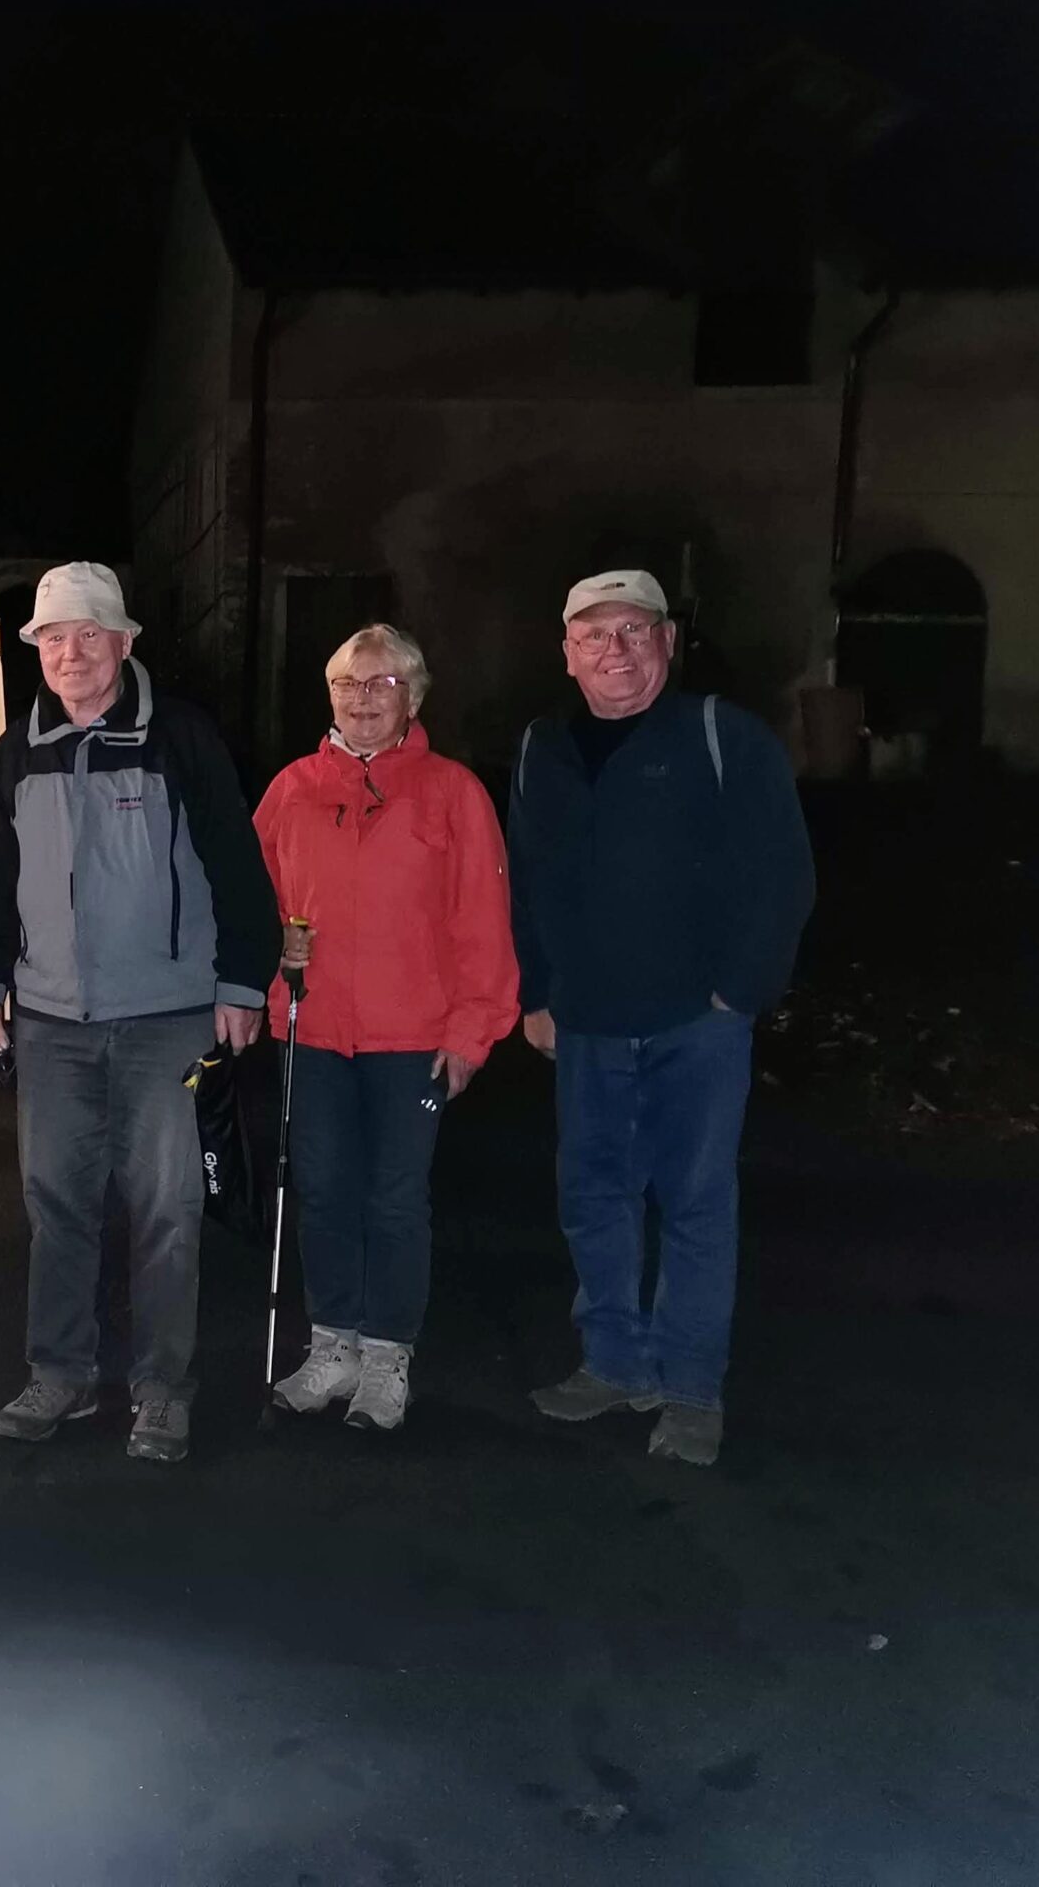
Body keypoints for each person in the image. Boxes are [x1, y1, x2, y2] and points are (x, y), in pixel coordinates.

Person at [0, 561, 279, 1464]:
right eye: (54, 638)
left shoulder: (181, 737)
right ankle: (61, 1373)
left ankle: (162, 1389)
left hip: (169, 1017)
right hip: (51, 1023)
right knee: (55, 1203)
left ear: (125, 642)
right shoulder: (16, 754)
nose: (72, 653)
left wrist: (241, 985)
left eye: (89, 634)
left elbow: (237, 866)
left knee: (167, 1209)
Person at [510, 569, 814, 1467]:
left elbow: (784, 874)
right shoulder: (542, 747)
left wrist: (739, 992)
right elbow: (526, 878)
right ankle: (613, 1363)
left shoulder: (725, 736)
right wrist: (535, 992)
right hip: (586, 1022)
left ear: (668, 643)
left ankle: (689, 1391)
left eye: (635, 631)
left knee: (694, 1206)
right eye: (595, 635)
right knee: (593, 1199)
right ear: (568, 653)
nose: (617, 650)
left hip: (697, 1023)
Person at [255, 625, 518, 1433]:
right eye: (347, 684)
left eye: (382, 685)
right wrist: (272, 951)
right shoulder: (292, 789)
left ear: (414, 697)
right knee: (323, 1192)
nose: (362, 699)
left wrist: (473, 1031)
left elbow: (483, 918)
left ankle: (386, 1356)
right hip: (314, 1029)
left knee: (396, 1200)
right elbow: (249, 899)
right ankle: (332, 1344)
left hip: (414, 1039)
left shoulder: (452, 792)